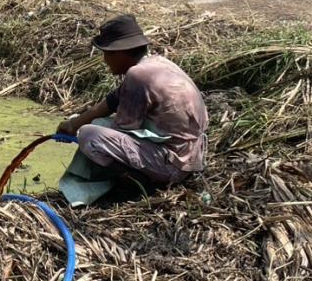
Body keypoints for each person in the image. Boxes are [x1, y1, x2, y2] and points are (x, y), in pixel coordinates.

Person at [55, 14, 207, 200]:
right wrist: (73, 124)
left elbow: (125, 129)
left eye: (106, 54)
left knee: (90, 136)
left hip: (173, 164)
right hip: (190, 156)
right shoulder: (156, 64)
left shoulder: (138, 75)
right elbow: (112, 101)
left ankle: (137, 185)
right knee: (99, 123)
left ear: (120, 52)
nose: (104, 60)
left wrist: (81, 129)